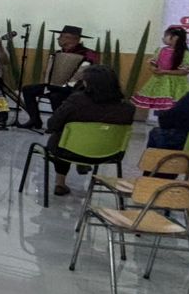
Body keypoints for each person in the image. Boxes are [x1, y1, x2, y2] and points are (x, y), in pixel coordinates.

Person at [46, 65, 135, 199]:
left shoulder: (76, 100)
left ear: (88, 83)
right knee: (74, 137)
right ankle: (82, 164)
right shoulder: (128, 108)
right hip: (109, 154)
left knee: (62, 137)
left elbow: (52, 124)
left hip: (69, 151)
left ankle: (60, 183)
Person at [20, 26, 98, 130]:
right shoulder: (57, 53)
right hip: (54, 85)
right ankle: (35, 120)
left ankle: (59, 125)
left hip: (76, 88)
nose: (58, 38)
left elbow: (83, 72)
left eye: (62, 36)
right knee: (27, 89)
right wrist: (48, 82)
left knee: (55, 96)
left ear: (74, 39)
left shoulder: (89, 54)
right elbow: (49, 71)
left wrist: (69, 85)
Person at [132, 26, 189, 111]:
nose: (163, 38)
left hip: (177, 84)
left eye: (166, 35)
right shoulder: (160, 50)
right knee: (162, 107)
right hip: (159, 82)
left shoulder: (186, 54)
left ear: (175, 38)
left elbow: (184, 72)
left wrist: (165, 71)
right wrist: (153, 68)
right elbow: (153, 63)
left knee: (175, 107)